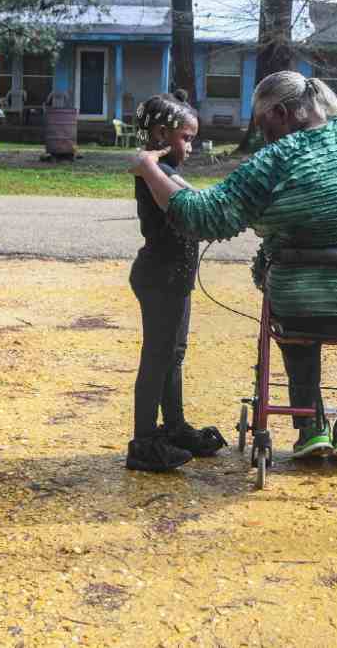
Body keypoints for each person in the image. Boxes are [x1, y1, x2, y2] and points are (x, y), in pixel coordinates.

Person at [130, 72, 337, 464]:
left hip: (302, 307)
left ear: (281, 113)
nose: (263, 136)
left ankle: (310, 422)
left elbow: (200, 216)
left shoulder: (275, 160)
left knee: (296, 316)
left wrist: (147, 167)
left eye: (263, 125)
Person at [126, 91, 227, 472]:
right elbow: (179, 204)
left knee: (173, 354)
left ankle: (174, 426)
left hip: (174, 277)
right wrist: (147, 156)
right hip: (159, 277)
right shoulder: (154, 173)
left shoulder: (167, 171)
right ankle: (144, 441)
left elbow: (195, 200)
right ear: (160, 135)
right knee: (157, 357)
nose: (191, 145)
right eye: (186, 137)